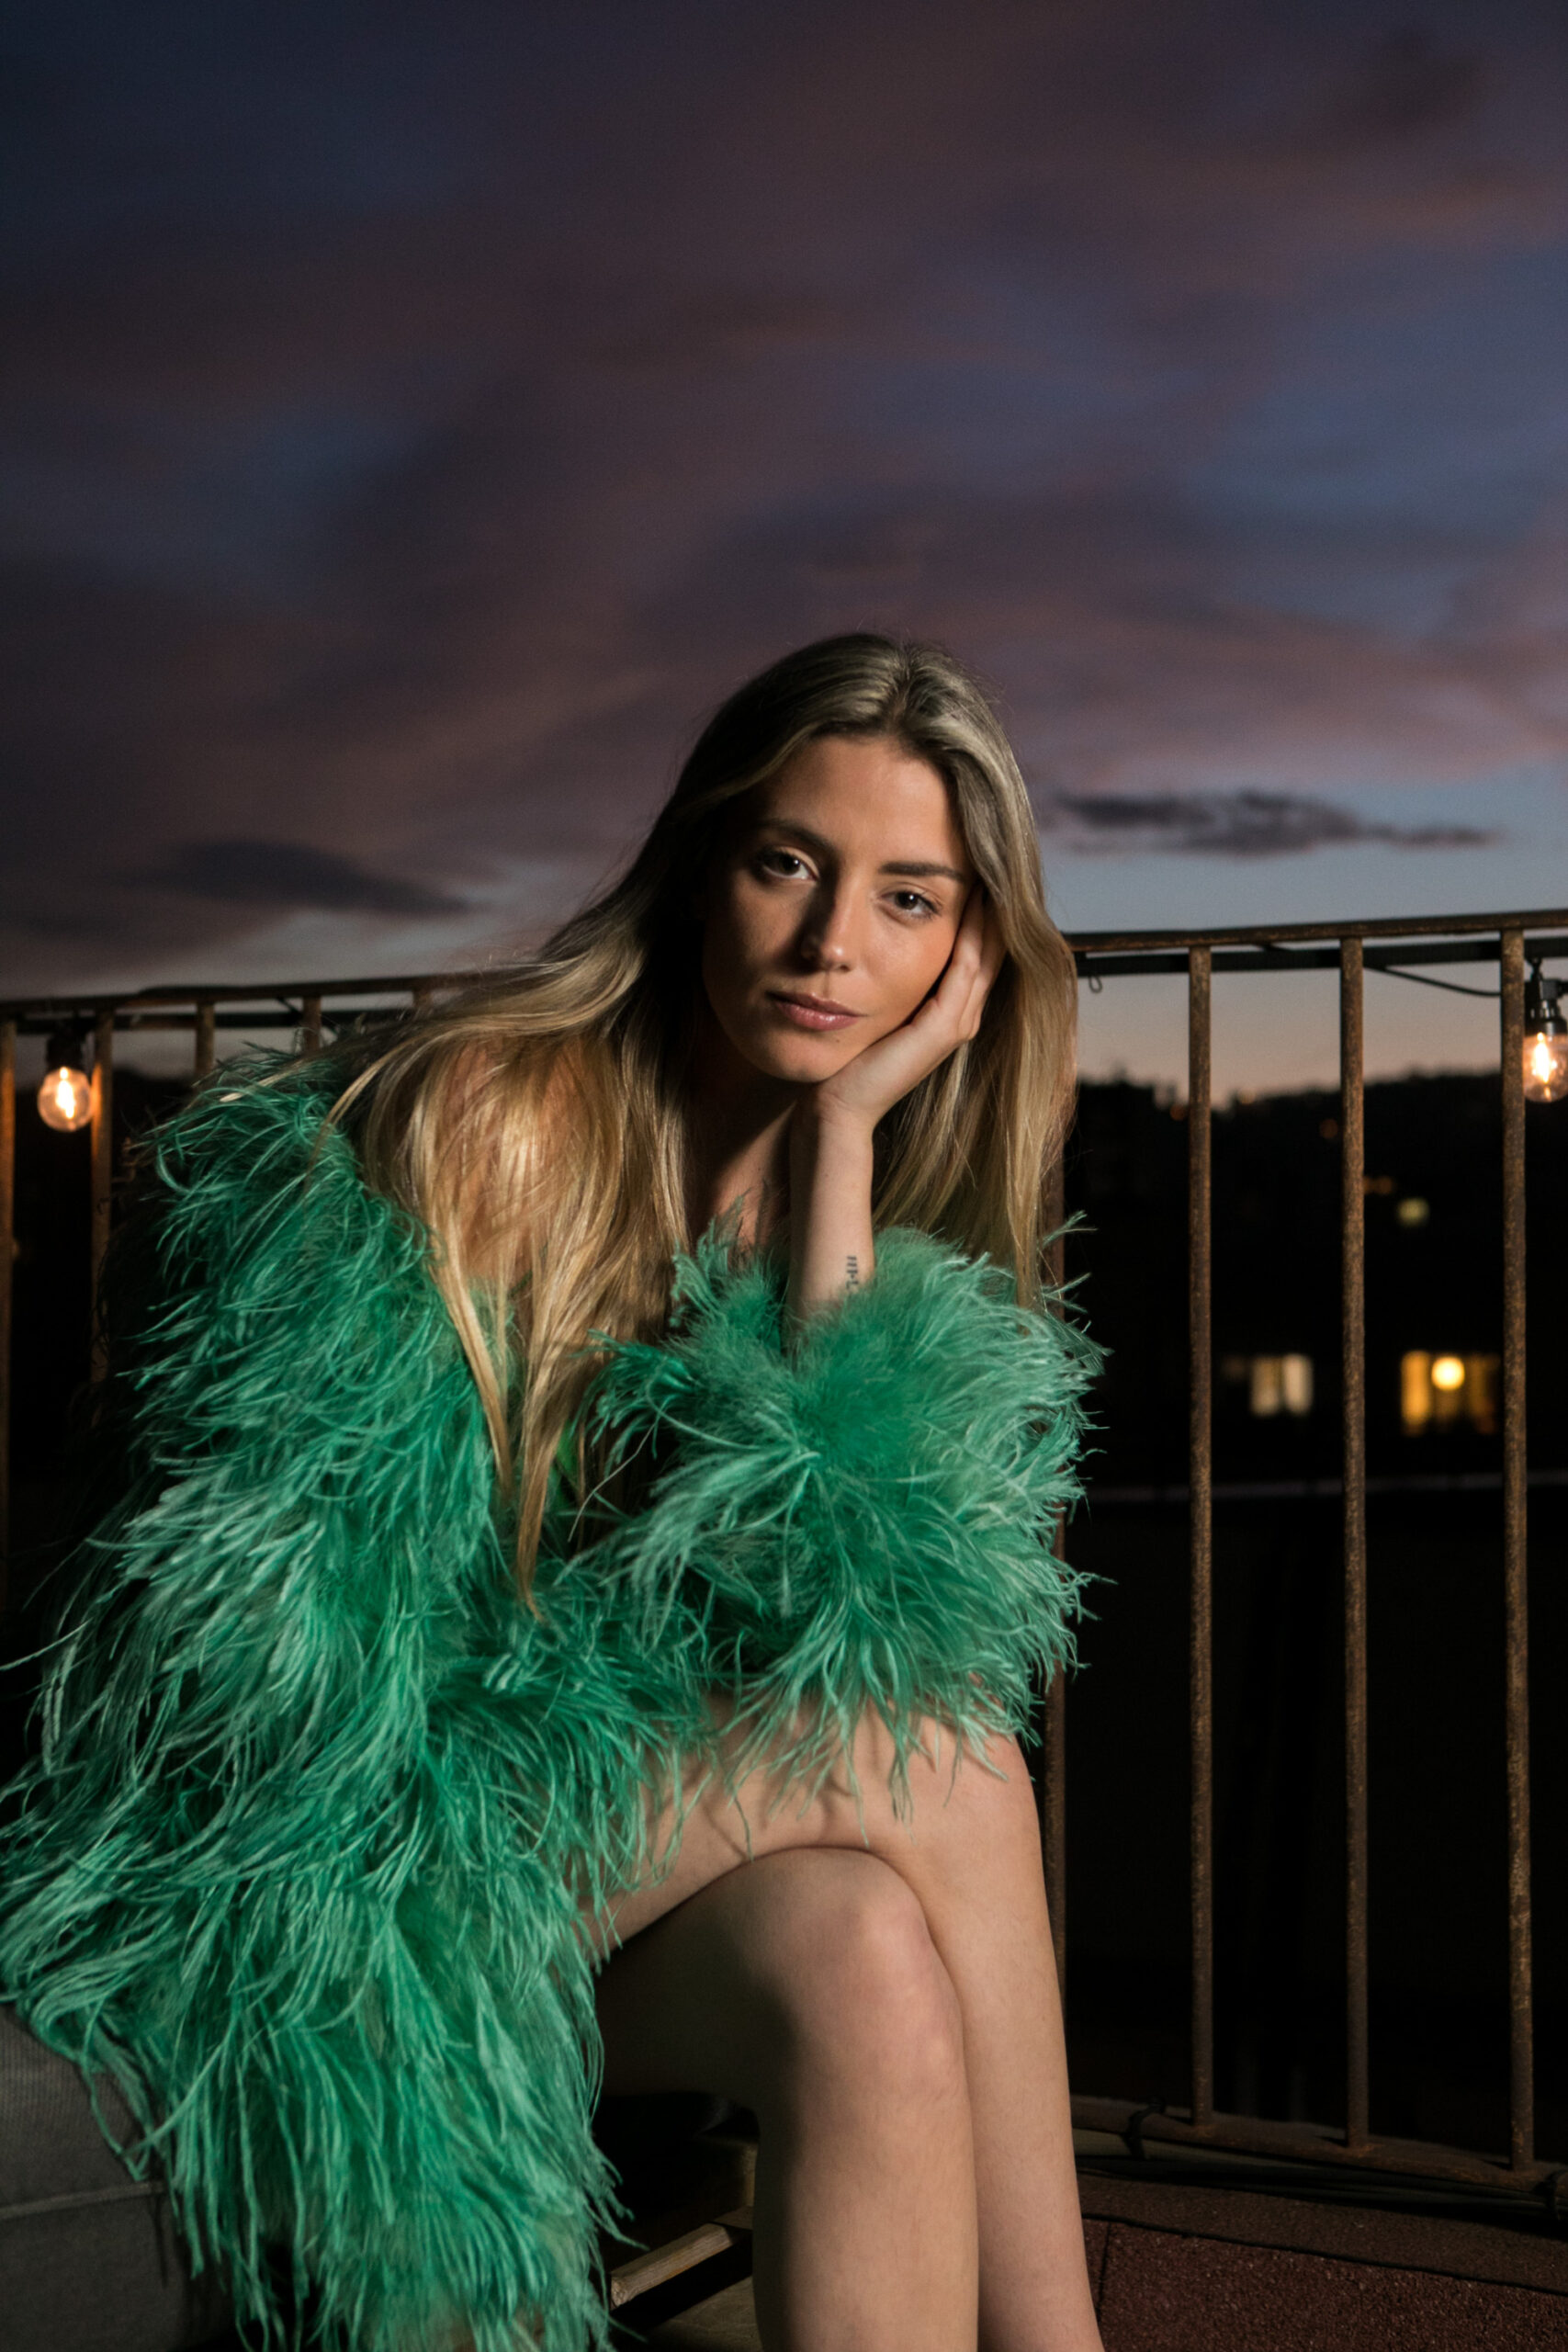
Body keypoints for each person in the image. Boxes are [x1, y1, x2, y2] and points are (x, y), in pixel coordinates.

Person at [0, 635, 1101, 2352]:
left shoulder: (852, 1212)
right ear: (704, 862)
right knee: (951, 1763)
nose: (831, 944)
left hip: (565, 1860)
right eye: (788, 863)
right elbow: (273, 1694)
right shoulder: (490, 1122)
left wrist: (839, 1149)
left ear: (967, 955)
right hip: (343, 1864)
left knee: (863, 1957)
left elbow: (857, 1611)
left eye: (908, 900)